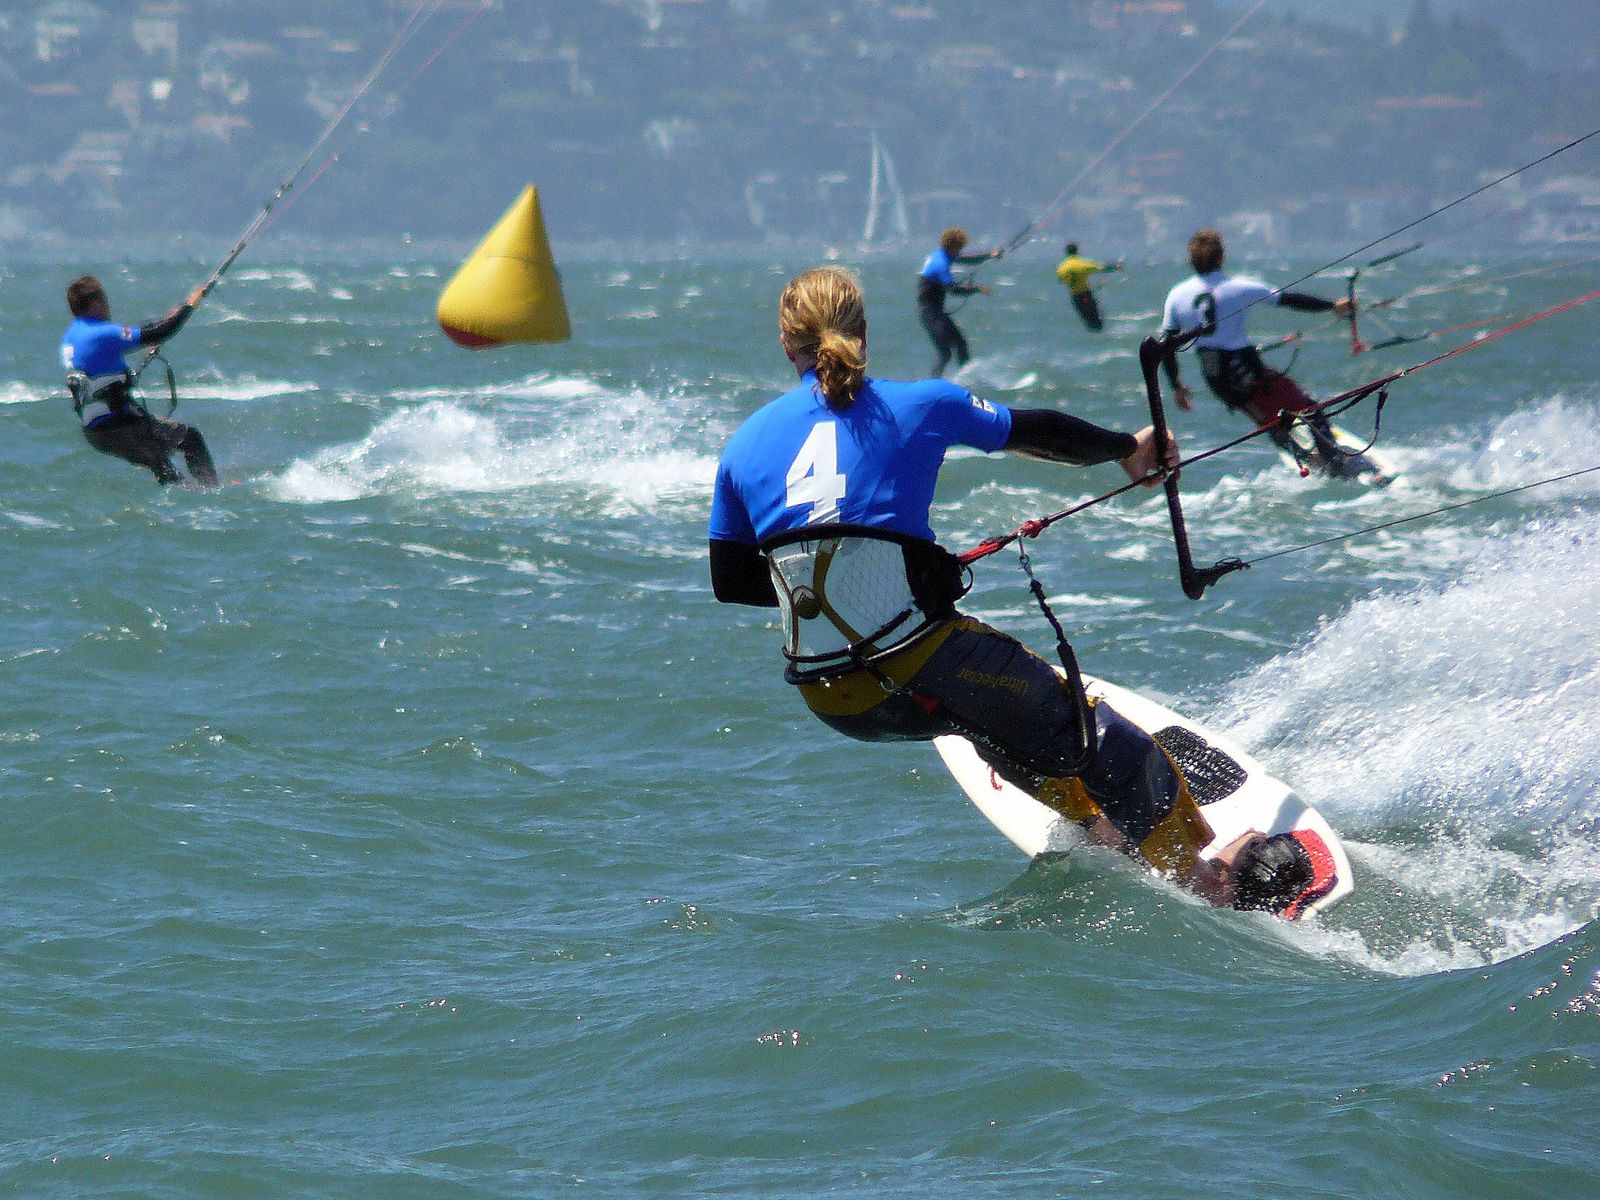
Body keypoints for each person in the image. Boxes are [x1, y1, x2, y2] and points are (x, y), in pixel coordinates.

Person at [708, 264, 1319, 915]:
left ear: (786, 343)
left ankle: (1101, 828)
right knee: (1097, 736)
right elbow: (1041, 433)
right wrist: (1127, 449)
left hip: (835, 698)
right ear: (862, 331)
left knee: (991, 721)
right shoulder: (921, 404)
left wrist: (861, 585)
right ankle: (1206, 882)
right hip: (918, 661)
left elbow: (735, 581)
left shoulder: (742, 447)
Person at [1157, 228, 1353, 469]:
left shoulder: (1176, 294)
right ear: (1221, 257)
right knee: (1309, 409)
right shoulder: (1240, 287)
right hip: (1245, 371)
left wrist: (1176, 386)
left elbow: (1166, 346)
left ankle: (1310, 462)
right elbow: (1289, 300)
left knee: (1271, 421)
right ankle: (1336, 463)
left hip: (1217, 380)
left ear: (1192, 260)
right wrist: (1332, 306)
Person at [61, 275, 218, 489]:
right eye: (105, 300)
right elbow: (162, 331)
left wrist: (159, 329)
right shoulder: (101, 333)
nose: (109, 306)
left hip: (95, 432)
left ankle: (189, 494)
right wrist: (191, 303)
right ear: (96, 303)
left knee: (160, 463)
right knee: (189, 438)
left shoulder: (73, 336)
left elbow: (140, 336)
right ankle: (212, 491)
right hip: (120, 425)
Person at [916, 227, 998, 378]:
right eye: (959, 248)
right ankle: (932, 383)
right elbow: (954, 291)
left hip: (936, 312)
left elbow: (967, 259)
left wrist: (990, 255)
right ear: (952, 247)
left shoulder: (942, 253)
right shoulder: (940, 264)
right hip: (930, 313)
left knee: (961, 344)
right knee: (945, 352)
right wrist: (977, 289)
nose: (960, 252)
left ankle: (969, 379)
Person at [1055, 241, 1123, 332]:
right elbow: (1102, 268)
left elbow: (1060, 280)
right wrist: (1116, 266)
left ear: (1066, 252)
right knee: (1098, 324)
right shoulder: (1082, 263)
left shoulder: (1061, 267)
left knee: (1089, 324)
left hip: (1076, 299)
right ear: (1077, 251)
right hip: (1086, 296)